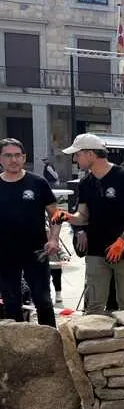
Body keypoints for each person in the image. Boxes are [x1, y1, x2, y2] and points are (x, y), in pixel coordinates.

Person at [57, 134, 124, 314]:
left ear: (90, 154)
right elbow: (83, 216)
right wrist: (66, 216)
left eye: (77, 154)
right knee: (94, 305)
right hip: (96, 250)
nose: (75, 159)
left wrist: (122, 240)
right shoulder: (85, 182)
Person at [0, 138, 61, 326]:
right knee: (11, 302)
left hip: (36, 251)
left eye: (18, 155)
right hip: (5, 252)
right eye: (8, 155)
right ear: (0, 159)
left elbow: (56, 214)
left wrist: (54, 239)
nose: (13, 160)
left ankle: (51, 343)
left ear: (24, 157)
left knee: (43, 300)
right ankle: (15, 347)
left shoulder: (38, 182)